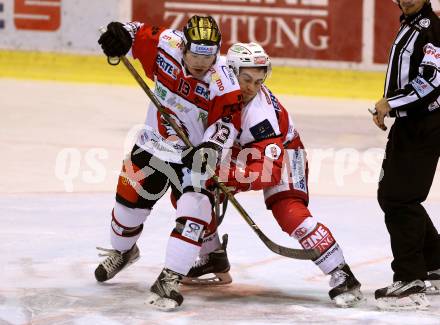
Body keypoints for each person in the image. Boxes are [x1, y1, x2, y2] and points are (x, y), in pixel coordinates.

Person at [183, 42, 363, 307]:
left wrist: (226, 176)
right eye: (246, 79)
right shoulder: (216, 75)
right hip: (244, 147)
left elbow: (266, 171)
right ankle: (212, 256)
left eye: (258, 81)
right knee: (192, 185)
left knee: (289, 210)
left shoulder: (260, 115)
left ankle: (341, 272)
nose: (252, 88)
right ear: (231, 72)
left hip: (283, 154)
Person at [95, 16, 243, 310]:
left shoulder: (223, 81)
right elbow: (134, 32)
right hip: (153, 146)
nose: (202, 63)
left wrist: (211, 147)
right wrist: (119, 35)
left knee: (194, 213)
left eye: (209, 56)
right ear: (183, 46)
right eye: (196, 54)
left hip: (193, 157)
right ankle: (123, 252)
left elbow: (227, 122)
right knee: (126, 208)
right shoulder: (166, 45)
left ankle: (171, 278)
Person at [372, 0, 440, 310]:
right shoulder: (411, 23)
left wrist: (391, 103)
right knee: (398, 196)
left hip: (423, 124)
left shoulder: (431, 30)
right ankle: (436, 265)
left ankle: (411, 279)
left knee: (398, 198)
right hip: (412, 123)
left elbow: (432, 81)